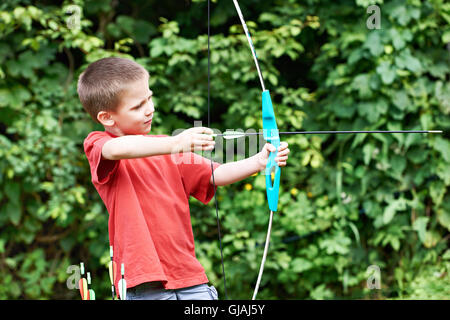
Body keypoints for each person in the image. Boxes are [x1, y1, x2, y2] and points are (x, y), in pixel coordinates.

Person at [77, 56, 290, 300]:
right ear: (107, 118)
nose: (150, 109)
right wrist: (177, 142)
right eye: (138, 106)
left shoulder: (170, 149)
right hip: (144, 282)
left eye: (150, 98)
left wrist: (258, 162)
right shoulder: (99, 144)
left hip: (189, 276)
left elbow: (215, 174)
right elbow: (117, 149)